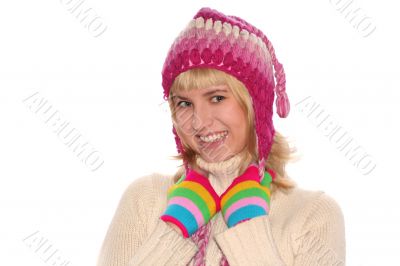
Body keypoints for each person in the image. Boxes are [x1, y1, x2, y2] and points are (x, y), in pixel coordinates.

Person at [96, 7, 346, 266]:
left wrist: (249, 230)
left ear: (256, 107)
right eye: (184, 103)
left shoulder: (313, 215)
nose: (199, 122)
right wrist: (173, 230)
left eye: (217, 98)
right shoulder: (145, 199)